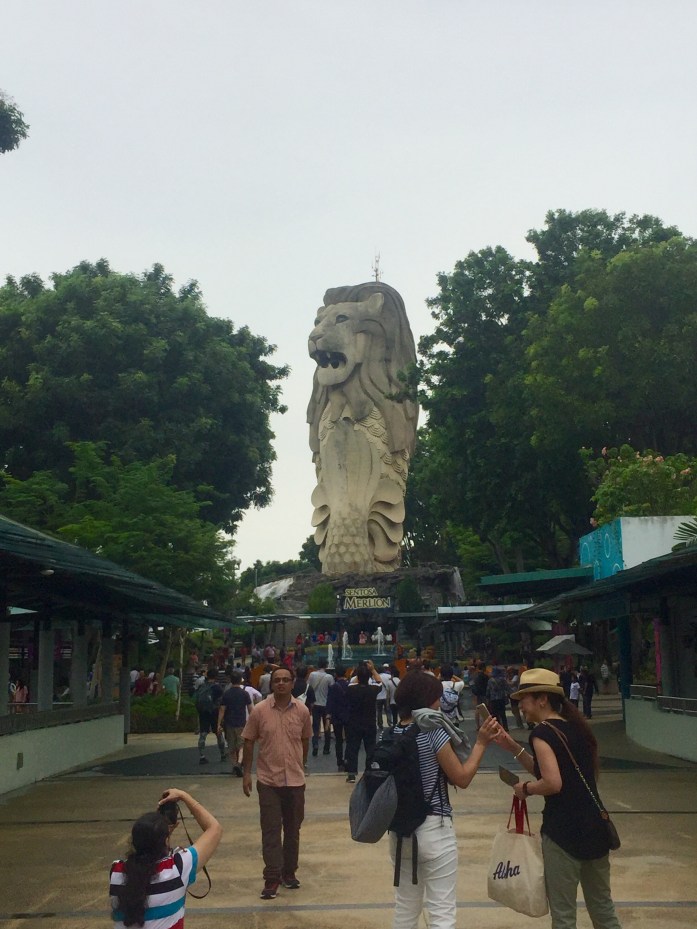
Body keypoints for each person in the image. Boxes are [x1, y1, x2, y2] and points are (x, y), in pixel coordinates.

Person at [499, 668, 622, 929]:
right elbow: (546, 771)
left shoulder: (542, 733)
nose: (520, 706)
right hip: (596, 828)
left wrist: (526, 789)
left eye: (524, 699)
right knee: (603, 908)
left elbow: (553, 782)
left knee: (564, 915)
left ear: (542, 699)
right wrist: (513, 747)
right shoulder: (577, 729)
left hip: (563, 833)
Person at [389, 670, 501, 929]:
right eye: (437, 698)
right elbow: (461, 777)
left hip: (399, 832)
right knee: (441, 912)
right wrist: (481, 743)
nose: (440, 703)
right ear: (427, 699)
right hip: (434, 830)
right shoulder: (433, 732)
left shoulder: (390, 734)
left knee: (405, 908)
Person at [242, 665, 312, 900]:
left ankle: (289, 873)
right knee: (271, 830)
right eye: (277, 680)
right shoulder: (260, 711)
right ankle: (272, 878)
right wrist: (247, 773)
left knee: (293, 830)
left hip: (295, 781)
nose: (281, 683)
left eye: (285, 680)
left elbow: (305, 740)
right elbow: (249, 741)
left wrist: (301, 765)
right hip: (268, 781)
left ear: (292, 683)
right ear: (271, 684)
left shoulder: (302, 711)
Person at [109, 788, 222, 929]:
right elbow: (214, 828)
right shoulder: (177, 869)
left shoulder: (116, 872)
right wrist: (184, 796)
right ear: (165, 839)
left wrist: (158, 827)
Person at [344, 660, 383, 783]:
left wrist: (358, 673)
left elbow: (352, 682)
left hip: (354, 723)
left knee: (352, 747)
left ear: (358, 677)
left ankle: (351, 773)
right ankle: (369, 771)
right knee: (370, 747)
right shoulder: (373, 689)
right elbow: (380, 682)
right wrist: (372, 669)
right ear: (369, 677)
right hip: (369, 722)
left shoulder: (351, 689)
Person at [218, 670, 251, 775]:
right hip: (241, 723)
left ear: (231, 680)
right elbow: (251, 709)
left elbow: (222, 709)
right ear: (241, 680)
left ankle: (234, 765)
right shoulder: (244, 693)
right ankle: (239, 763)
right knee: (241, 745)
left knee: (231, 747)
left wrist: (218, 724)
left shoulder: (226, 694)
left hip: (229, 724)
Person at [196, 668, 227, 765]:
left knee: (203, 734)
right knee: (218, 733)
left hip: (203, 713)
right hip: (214, 712)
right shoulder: (217, 688)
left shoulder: (201, 686)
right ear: (216, 676)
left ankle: (202, 756)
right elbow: (222, 701)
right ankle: (223, 754)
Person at [307, 657, 333, 757]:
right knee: (327, 726)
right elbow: (332, 690)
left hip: (315, 704)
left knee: (315, 726)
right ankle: (326, 748)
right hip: (326, 704)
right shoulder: (329, 677)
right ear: (326, 665)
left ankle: (315, 744)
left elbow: (308, 687)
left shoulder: (312, 674)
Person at [326, 666, 350, 771]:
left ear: (335, 674)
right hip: (348, 715)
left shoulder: (333, 687)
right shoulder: (350, 686)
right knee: (349, 740)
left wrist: (328, 716)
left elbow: (330, 702)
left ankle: (339, 762)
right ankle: (348, 759)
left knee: (338, 740)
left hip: (336, 716)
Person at [485, 666, 509, 732]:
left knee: (495, 714)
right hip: (501, 699)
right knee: (503, 714)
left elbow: (488, 691)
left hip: (493, 700)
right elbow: (507, 688)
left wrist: (487, 699)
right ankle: (505, 727)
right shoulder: (503, 680)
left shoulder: (490, 680)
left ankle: (498, 727)